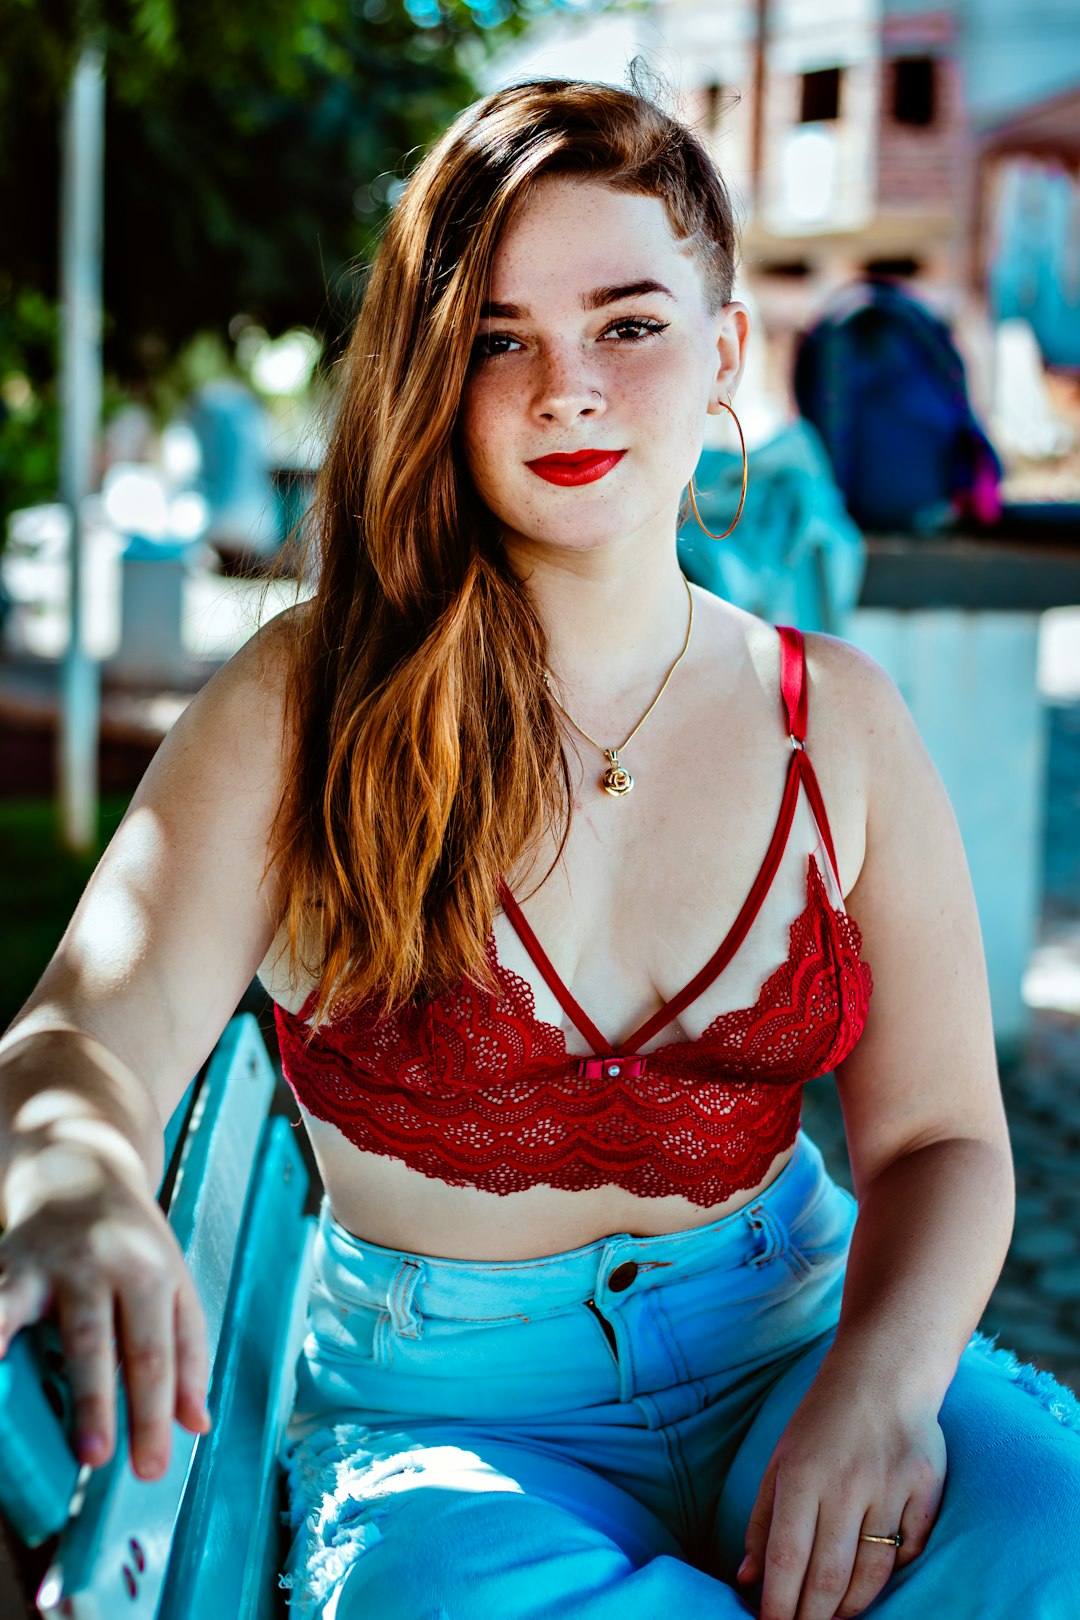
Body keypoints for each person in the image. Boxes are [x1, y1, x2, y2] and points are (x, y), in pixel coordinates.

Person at [1, 75, 1078, 1620]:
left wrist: (883, 1386)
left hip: (797, 1340)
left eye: (628, 325)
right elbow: (80, 1040)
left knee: (1054, 1565)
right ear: (437, 376)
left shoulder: (835, 723)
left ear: (725, 354)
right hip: (448, 1421)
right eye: (500, 338)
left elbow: (941, 1143)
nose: (564, 387)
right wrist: (77, 1178)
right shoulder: (308, 708)